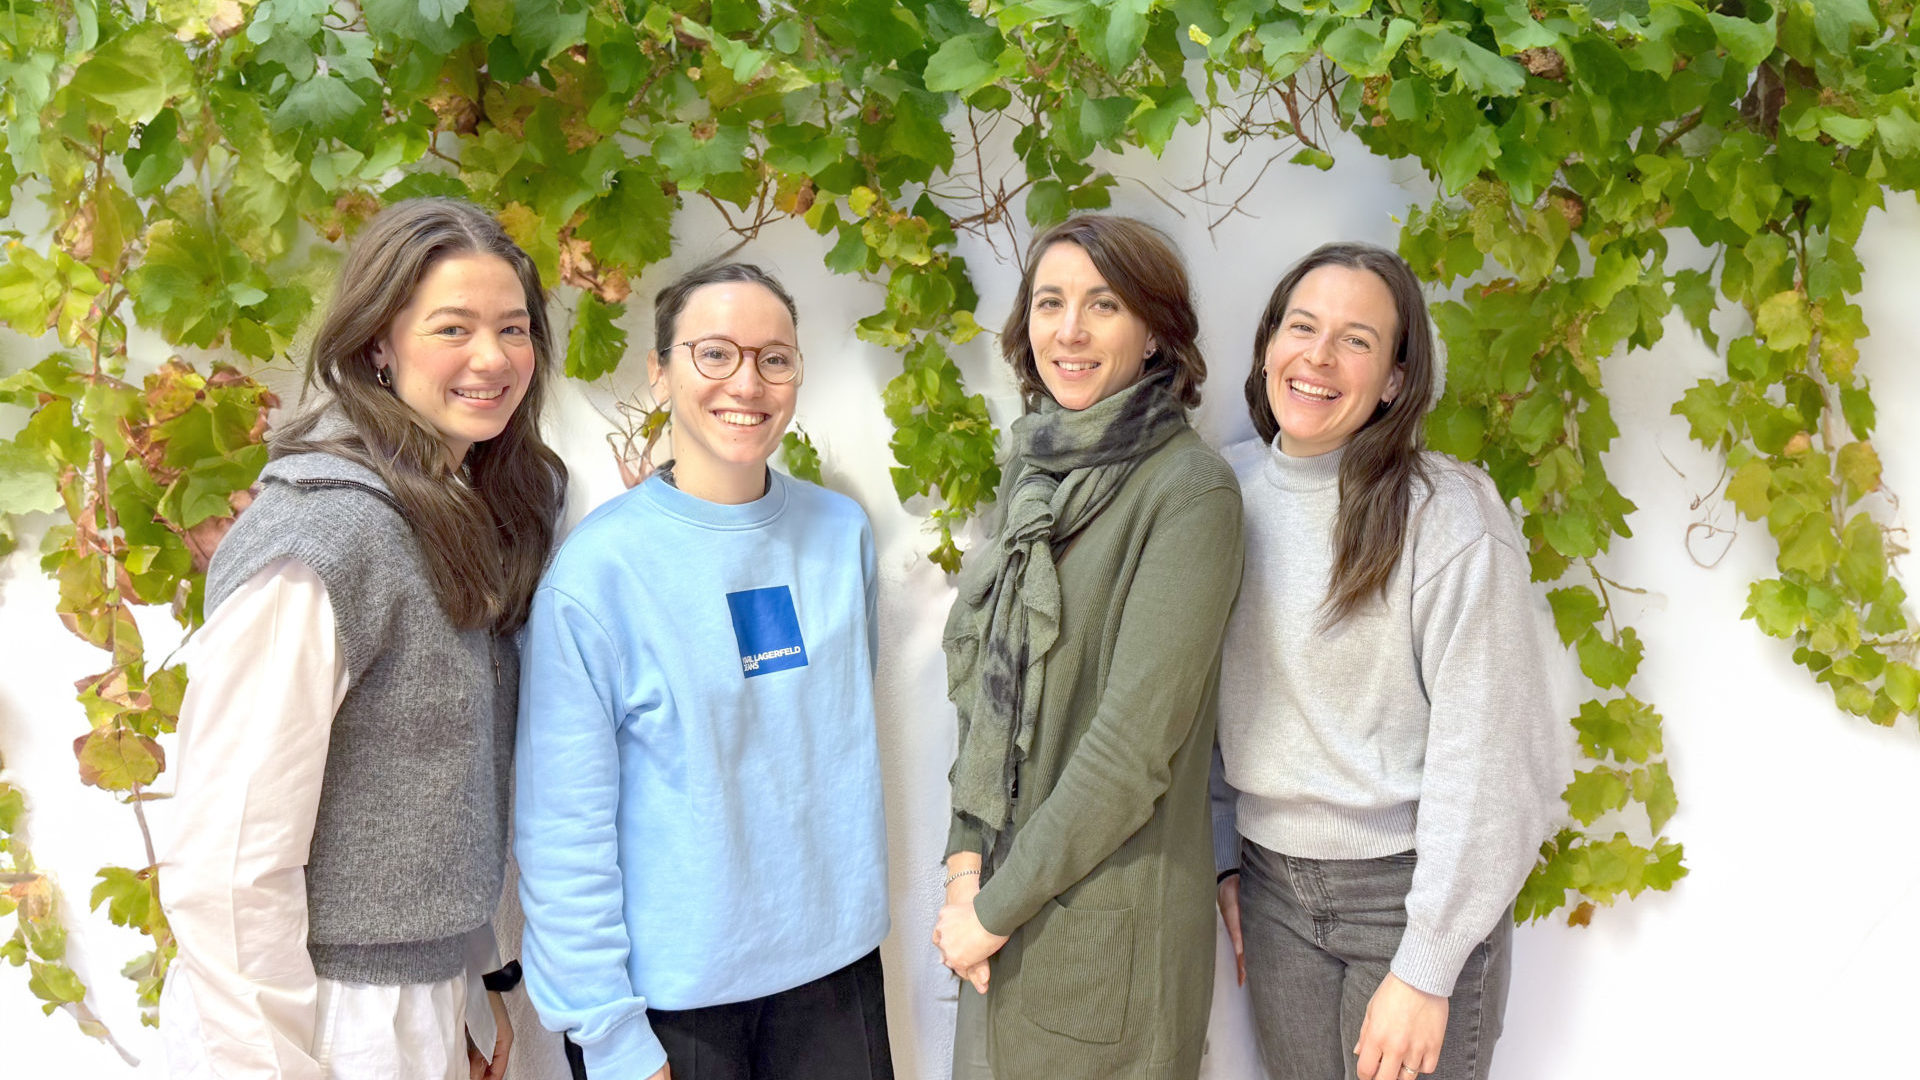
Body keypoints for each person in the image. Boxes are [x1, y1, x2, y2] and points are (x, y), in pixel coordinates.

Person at [158, 197, 568, 1080]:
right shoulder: (325, 541)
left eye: (514, 328)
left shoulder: (464, 514)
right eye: (452, 328)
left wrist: (477, 984)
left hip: (416, 1003)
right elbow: (227, 861)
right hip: (311, 1014)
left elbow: (443, 784)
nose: (493, 359)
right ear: (378, 342)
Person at [514, 263, 893, 1080]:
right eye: (713, 354)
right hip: (670, 1008)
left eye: (775, 358)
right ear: (658, 371)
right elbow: (561, 831)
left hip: (834, 973)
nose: (747, 383)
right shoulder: (597, 576)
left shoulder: (840, 535)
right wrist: (611, 1041)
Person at [1212, 242, 1565, 1080]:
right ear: (1268, 345)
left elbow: (1491, 755)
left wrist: (1429, 963)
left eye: (1357, 341)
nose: (1319, 357)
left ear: (1396, 381)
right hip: (1272, 897)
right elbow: (1206, 710)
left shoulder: (1446, 514)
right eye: (1302, 327)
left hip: (1408, 900)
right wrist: (1226, 854)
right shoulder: (1219, 497)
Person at [934, 215, 1245, 1080]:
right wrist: (964, 867)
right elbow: (985, 698)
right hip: (996, 914)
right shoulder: (1033, 474)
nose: (1068, 331)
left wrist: (991, 909)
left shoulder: (1190, 493)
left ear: (1154, 333)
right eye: (1050, 302)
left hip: (1106, 932)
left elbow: (1131, 750)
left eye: (1103, 305)